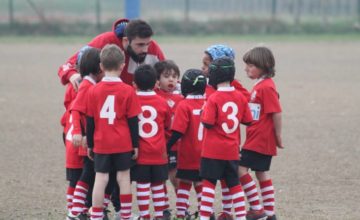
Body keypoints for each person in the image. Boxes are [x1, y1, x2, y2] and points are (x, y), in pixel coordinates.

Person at [86, 44, 141, 220]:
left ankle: (95, 215)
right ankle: (125, 215)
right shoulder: (128, 90)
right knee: (123, 178)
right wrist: (135, 144)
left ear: (101, 66)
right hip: (122, 143)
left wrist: (90, 144)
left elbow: (90, 120)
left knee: (100, 179)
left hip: (101, 143)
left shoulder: (93, 90)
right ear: (122, 66)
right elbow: (133, 121)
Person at [199, 57, 253, 220]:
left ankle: (204, 217)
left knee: (208, 183)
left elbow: (208, 123)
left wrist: (202, 113)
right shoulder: (240, 97)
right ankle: (241, 216)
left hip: (212, 150)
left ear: (214, 76)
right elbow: (248, 120)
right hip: (231, 150)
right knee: (234, 184)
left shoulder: (213, 98)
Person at [67, 47, 118, 220]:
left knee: (96, 175)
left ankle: (91, 209)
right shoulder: (87, 86)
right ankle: (75, 211)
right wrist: (77, 132)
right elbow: (75, 110)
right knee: (88, 175)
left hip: (95, 139)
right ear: (99, 67)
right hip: (88, 140)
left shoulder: (92, 84)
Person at [58, 18, 165, 90]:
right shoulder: (104, 41)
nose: (146, 49)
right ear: (126, 40)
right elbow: (68, 65)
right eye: (140, 45)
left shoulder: (153, 48)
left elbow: (169, 74)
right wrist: (72, 75)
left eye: (148, 44)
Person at [238, 47, 283, 220]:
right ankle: (270, 213)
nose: (246, 69)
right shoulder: (260, 85)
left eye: (250, 65)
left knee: (240, 170)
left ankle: (257, 208)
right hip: (255, 136)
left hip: (260, 138)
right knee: (261, 172)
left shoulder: (267, 87)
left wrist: (278, 135)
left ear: (264, 65)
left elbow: (276, 112)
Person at [131, 64, 171, 220]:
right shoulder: (162, 102)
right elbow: (168, 126)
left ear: (134, 84)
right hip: (159, 152)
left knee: (142, 185)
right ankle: (160, 215)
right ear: (156, 83)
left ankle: (144, 215)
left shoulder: (132, 100)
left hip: (141, 152)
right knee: (158, 185)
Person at [166, 69, 207, 219]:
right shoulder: (207, 102)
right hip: (206, 153)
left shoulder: (184, 105)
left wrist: (167, 146)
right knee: (200, 183)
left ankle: (181, 213)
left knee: (184, 183)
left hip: (188, 153)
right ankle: (205, 212)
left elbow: (177, 131)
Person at [154, 60, 184, 214]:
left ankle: (181, 208)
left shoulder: (181, 98)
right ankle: (164, 207)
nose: (171, 79)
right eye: (166, 76)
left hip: (176, 145)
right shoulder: (154, 96)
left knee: (176, 177)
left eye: (174, 76)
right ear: (157, 80)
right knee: (160, 178)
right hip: (159, 145)